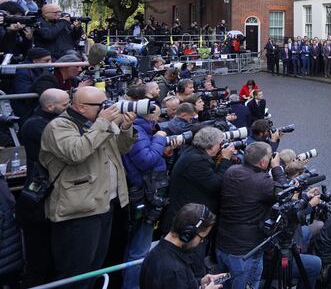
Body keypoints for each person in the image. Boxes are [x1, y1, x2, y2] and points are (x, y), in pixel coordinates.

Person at [38, 86, 136, 289]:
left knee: (94, 268)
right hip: (78, 211)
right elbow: (75, 153)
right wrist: (102, 123)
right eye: (101, 105)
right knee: (75, 273)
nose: (108, 108)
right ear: (81, 107)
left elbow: (122, 149)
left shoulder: (98, 123)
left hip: (104, 205)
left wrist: (126, 128)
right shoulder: (59, 126)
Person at [15, 89, 70, 287]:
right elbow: (64, 152)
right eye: (65, 105)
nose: (69, 108)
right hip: (39, 199)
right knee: (39, 259)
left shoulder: (51, 122)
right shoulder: (35, 125)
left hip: (50, 194)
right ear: (49, 106)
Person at [215, 142, 279, 289]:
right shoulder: (262, 182)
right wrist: (276, 168)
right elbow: (284, 192)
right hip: (246, 251)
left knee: (222, 283)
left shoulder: (231, 170)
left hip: (223, 243)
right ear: (263, 162)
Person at [121, 100, 169, 289]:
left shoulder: (141, 130)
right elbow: (146, 160)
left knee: (135, 247)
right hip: (144, 193)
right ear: (150, 117)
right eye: (157, 117)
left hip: (144, 190)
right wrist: (160, 138)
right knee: (139, 250)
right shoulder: (139, 132)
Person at [162, 127, 236, 232]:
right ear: (211, 146)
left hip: (187, 214)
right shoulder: (197, 161)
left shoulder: (194, 152)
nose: (221, 147)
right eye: (219, 144)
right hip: (186, 222)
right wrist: (226, 160)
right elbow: (216, 185)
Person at [139, 203, 227, 289]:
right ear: (188, 234)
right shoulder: (176, 272)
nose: (202, 241)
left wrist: (199, 282)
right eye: (201, 238)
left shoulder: (154, 253)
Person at [10, 47, 52, 124]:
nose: (50, 63)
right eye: (46, 61)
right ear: (35, 61)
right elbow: (24, 93)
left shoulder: (40, 70)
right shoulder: (23, 72)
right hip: (26, 109)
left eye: (50, 60)